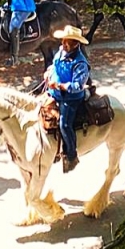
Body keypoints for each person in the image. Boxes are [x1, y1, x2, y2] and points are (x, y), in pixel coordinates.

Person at [44, 24, 90, 173]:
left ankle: (71, 155)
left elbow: (78, 85)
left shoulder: (80, 63)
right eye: (63, 40)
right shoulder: (61, 51)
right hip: (55, 91)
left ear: (76, 44)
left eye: (68, 42)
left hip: (71, 99)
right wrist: (49, 72)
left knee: (64, 124)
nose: (64, 43)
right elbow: (54, 65)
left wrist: (59, 85)